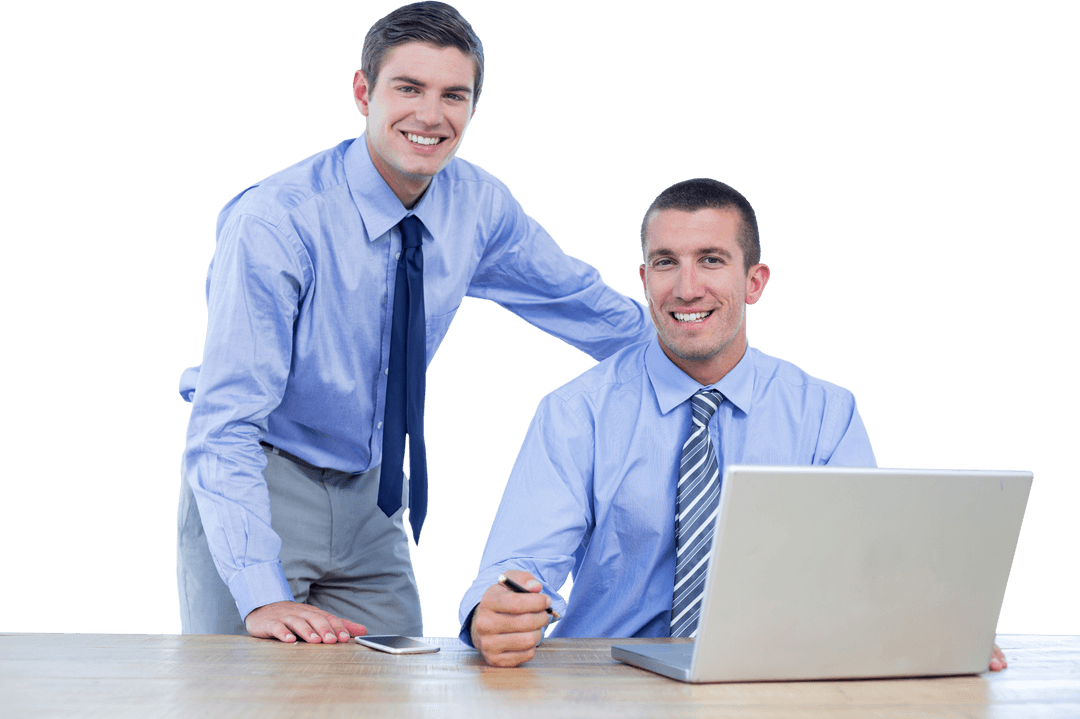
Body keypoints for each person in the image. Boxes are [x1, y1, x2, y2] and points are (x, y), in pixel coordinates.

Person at [176, 1, 653, 645]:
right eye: (408, 88)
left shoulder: (478, 204)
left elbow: (581, 303)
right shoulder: (276, 223)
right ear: (362, 91)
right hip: (261, 481)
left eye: (454, 95)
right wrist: (260, 596)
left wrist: (694, 351)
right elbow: (226, 422)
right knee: (241, 698)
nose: (431, 115)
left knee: (400, 691)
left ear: (473, 108)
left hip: (373, 498)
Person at [458, 178, 1008, 672]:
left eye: (712, 260)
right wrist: (496, 610)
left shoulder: (824, 413)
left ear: (755, 282)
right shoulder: (576, 411)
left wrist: (931, 622)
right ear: (645, 280)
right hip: (604, 683)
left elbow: (862, 571)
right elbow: (520, 562)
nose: (687, 287)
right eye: (666, 262)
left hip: (773, 682)